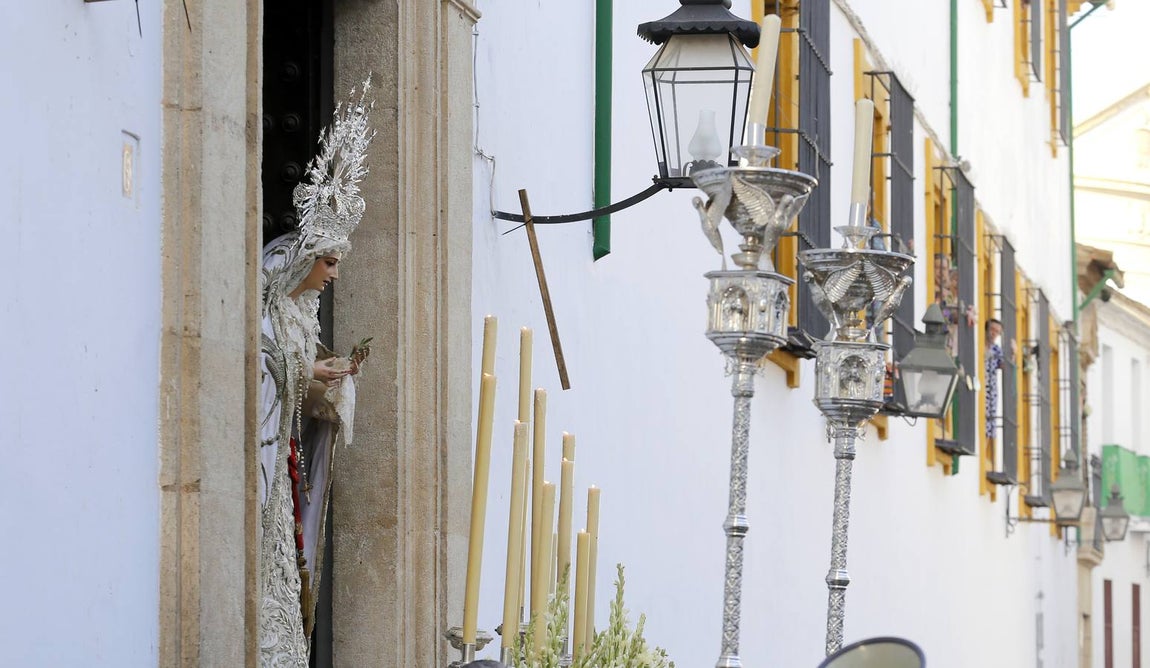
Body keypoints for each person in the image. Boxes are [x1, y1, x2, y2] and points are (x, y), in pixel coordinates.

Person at [257, 80, 374, 667]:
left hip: (284, 474)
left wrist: (326, 377)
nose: (332, 273)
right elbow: (263, 382)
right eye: (329, 261)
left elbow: (296, 388)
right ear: (306, 257)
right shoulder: (266, 308)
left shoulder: (303, 316)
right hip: (265, 473)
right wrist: (306, 374)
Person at [984, 318, 1005, 443]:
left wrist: (1013, 354)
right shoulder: (978, 343)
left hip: (990, 390)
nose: (994, 333)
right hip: (980, 383)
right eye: (992, 329)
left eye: (997, 332)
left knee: (989, 423)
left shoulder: (996, 349)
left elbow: (1003, 365)